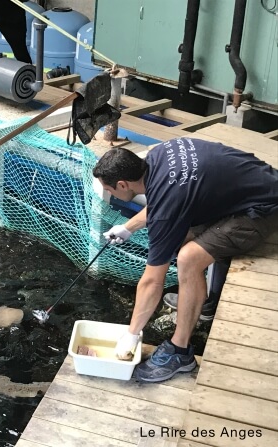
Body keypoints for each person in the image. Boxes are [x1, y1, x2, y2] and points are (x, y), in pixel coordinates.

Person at [92, 137, 278, 383]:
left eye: (109, 188)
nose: (108, 192)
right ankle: (200, 304)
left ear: (123, 184)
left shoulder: (165, 207)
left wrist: (132, 334)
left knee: (189, 258)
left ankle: (180, 352)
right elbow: (167, 198)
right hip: (253, 187)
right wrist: (128, 227)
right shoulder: (158, 155)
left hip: (263, 210)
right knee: (182, 240)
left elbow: (152, 282)